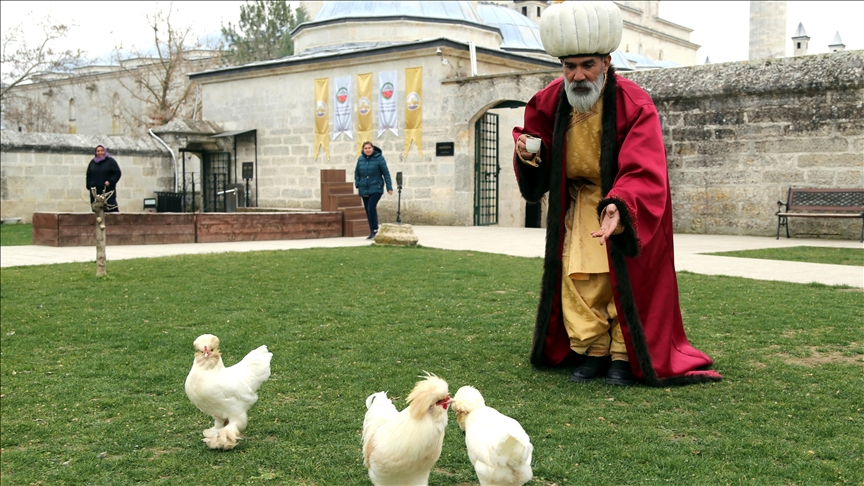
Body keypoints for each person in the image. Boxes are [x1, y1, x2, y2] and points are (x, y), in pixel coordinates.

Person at [513, 1, 721, 387]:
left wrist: (620, 206)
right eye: (569, 66)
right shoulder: (547, 100)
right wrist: (527, 152)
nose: (577, 75)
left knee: (621, 279)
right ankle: (592, 350)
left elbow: (645, 165)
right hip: (578, 206)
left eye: (586, 65)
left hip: (625, 205)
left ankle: (624, 354)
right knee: (580, 280)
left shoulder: (634, 102)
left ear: (606, 62)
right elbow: (534, 138)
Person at [355, 141, 393, 239]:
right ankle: (372, 231)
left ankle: (375, 230)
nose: (367, 150)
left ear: (373, 148)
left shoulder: (379, 158)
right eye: (365, 148)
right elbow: (357, 173)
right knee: (368, 210)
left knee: (371, 207)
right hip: (364, 188)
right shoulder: (360, 159)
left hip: (376, 187)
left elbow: (386, 173)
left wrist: (389, 187)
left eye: (369, 148)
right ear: (363, 149)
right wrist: (358, 184)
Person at [85, 144, 122, 212]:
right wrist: (89, 185)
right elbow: (88, 175)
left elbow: (117, 173)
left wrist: (110, 181)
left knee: (110, 209)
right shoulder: (92, 163)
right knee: (97, 211)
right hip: (95, 193)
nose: (100, 152)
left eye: (102, 150)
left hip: (107, 191)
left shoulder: (110, 161)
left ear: (104, 151)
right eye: (98, 151)